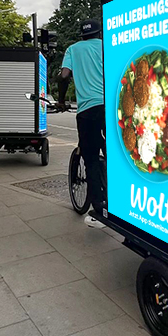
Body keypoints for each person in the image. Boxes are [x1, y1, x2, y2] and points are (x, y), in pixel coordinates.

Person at [58, 19, 106, 227]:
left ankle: (98, 209)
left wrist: (61, 100)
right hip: (109, 107)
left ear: (82, 35)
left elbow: (64, 75)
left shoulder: (72, 49)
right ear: (99, 33)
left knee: (91, 158)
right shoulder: (106, 46)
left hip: (87, 110)